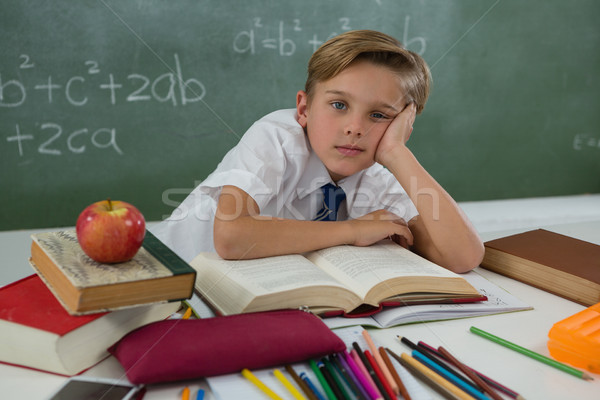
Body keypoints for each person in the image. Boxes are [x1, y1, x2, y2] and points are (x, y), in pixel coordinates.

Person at [153, 30, 484, 273]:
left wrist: (398, 153)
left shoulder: (378, 177)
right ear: (304, 108)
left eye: (379, 115)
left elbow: (462, 257)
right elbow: (232, 237)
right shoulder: (277, 137)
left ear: (402, 124)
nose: (355, 127)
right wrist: (352, 230)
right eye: (339, 104)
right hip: (167, 282)